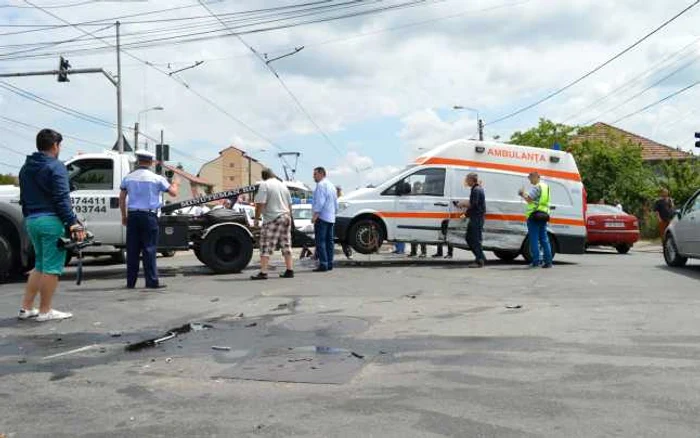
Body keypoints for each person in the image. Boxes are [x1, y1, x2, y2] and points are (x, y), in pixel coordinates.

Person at [18, 129, 85, 321]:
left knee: (39, 265)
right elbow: (62, 198)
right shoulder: (56, 167)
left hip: (32, 220)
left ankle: (26, 308)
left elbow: (24, 198)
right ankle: (45, 311)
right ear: (55, 146)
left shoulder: (26, 168)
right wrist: (73, 223)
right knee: (52, 268)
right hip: (51, 221)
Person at [120, 150, 179, 289]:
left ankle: (131, 282)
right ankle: (151, 281)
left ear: (138, 161)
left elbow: (121, 198)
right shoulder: (156, 178)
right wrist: (176, 183)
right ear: (151, 162)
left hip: (133, 216)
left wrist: (124, 215)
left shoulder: (128, 178)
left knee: (132, 250)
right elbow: (173, 193)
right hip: (149, 216)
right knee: (149, 249)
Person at [251, 168, 294, 280]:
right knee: (286, 243)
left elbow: (260, 204)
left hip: (273, 218)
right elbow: (290, 204)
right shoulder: (283, 185)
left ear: (264, 176)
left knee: (266, 244)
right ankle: (290, 270)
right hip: (286, 217)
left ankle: (263, 272)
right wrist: (289, 217)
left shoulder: (265, 185)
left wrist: (256, 219)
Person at [519, 171, 552, 268]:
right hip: (544, 215)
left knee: (534, 239)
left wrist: (522, 194)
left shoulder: (537, 187)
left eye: (530, 178)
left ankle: (536, 261)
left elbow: (529, 199)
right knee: (544, 239)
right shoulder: (546, 187)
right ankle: (548, 262)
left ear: (535, 177)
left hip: (534, 216)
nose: (530, 181)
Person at [312, 167, 338, 272]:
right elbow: (336, 203)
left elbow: (320, 201)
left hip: (322, 217)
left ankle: (323, 264)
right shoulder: (331, 186)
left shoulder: (321, 185)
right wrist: (334, 213)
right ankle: (330, 263)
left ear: (321, 174)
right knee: (329, 242)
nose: (313, 176)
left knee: (320, 241)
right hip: (331, 217)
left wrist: (315, 215)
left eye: (315, 174)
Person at [457, 173, 486, 268]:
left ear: (471, 180)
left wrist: (463, 204)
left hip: (477, 218)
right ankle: (481, 257)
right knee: (470, 238)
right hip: (476, 217)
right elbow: (474, 205)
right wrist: (465, 214)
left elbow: (473, 204)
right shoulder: (476, 189)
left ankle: (479, 260)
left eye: (467, 179)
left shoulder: (476, 190)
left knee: (474, 239)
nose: (466, 181)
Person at [336, 186, 353, 260]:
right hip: (338, 220)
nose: (338, 192)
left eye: (338, 190)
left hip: (341, 220)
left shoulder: (342, 199)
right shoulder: (338, 199)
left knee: (343, 239)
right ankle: (348, 254)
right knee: (343, 239)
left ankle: (348, 253)